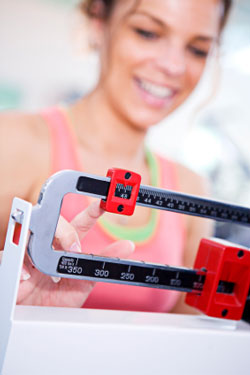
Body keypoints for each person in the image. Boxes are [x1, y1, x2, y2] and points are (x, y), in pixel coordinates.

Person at [0, 0, 232, 312]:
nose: (174, 66)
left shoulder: (192, 189)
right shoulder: (11, 141)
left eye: (198, 49)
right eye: (147, 32)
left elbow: (188, 346)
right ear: (99, 20)